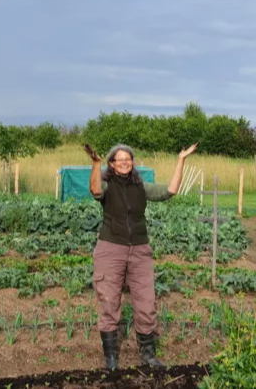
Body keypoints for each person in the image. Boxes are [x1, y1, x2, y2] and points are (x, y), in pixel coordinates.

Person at [84, 142, 197, 370]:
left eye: (129, 159)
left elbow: (170, 191)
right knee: (110, 302)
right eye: (120, 159)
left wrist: (181, 160)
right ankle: (111, 358)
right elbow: (95, 190)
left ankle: (148, 356)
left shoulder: (140, 187)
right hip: (110, 248)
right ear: (112, 164)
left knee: (146, 302)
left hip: (140, 250)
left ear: (132, 162)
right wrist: (96, 164)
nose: (125, 162)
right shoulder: (107, 185)